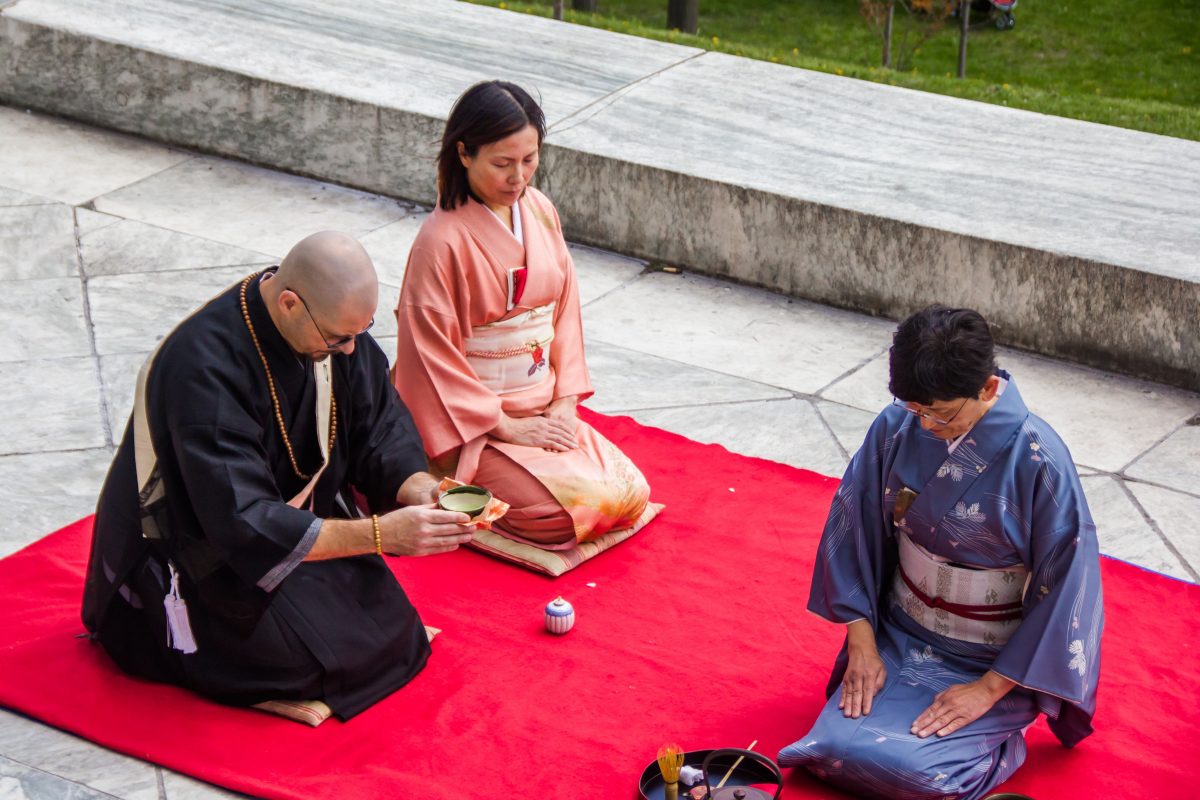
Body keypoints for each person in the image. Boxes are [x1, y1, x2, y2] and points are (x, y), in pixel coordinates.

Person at [82, 232, 478, 721]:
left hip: (289, 528)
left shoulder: (327, 327)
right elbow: (238, 517)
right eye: (340, 338)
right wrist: (379, 534)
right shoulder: (204, 365)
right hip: (205, 557)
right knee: (313, 657)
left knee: (393, 628)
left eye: (361, 332)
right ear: (290, 304)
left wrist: (422, 488)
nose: (352, 350)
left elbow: (377, 424)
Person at [778, 306, 1103, 799]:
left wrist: (987, 691)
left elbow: (1067, 589)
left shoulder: (1040, 460)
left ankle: (1000, 745)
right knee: (826, 751)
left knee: (924, 779)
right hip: (902, 632)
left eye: (942, 413)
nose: (926, 426)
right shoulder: (897, 426)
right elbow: (854, 525)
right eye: (915, 410)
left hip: (991, 659)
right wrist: (863, 645)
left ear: (989, 389)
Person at [393, 80, 650, 549]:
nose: (519, 178)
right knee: (565, 515)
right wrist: (505, 425)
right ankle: (437, 477)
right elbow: (428, 355)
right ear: (464, 154)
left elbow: (564, 310)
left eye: (529, 160)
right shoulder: (440, 241)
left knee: (630, 494)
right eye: (502, 164)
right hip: (471, 426)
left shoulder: (541, 211)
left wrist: (565, 402)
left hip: (542, 407)